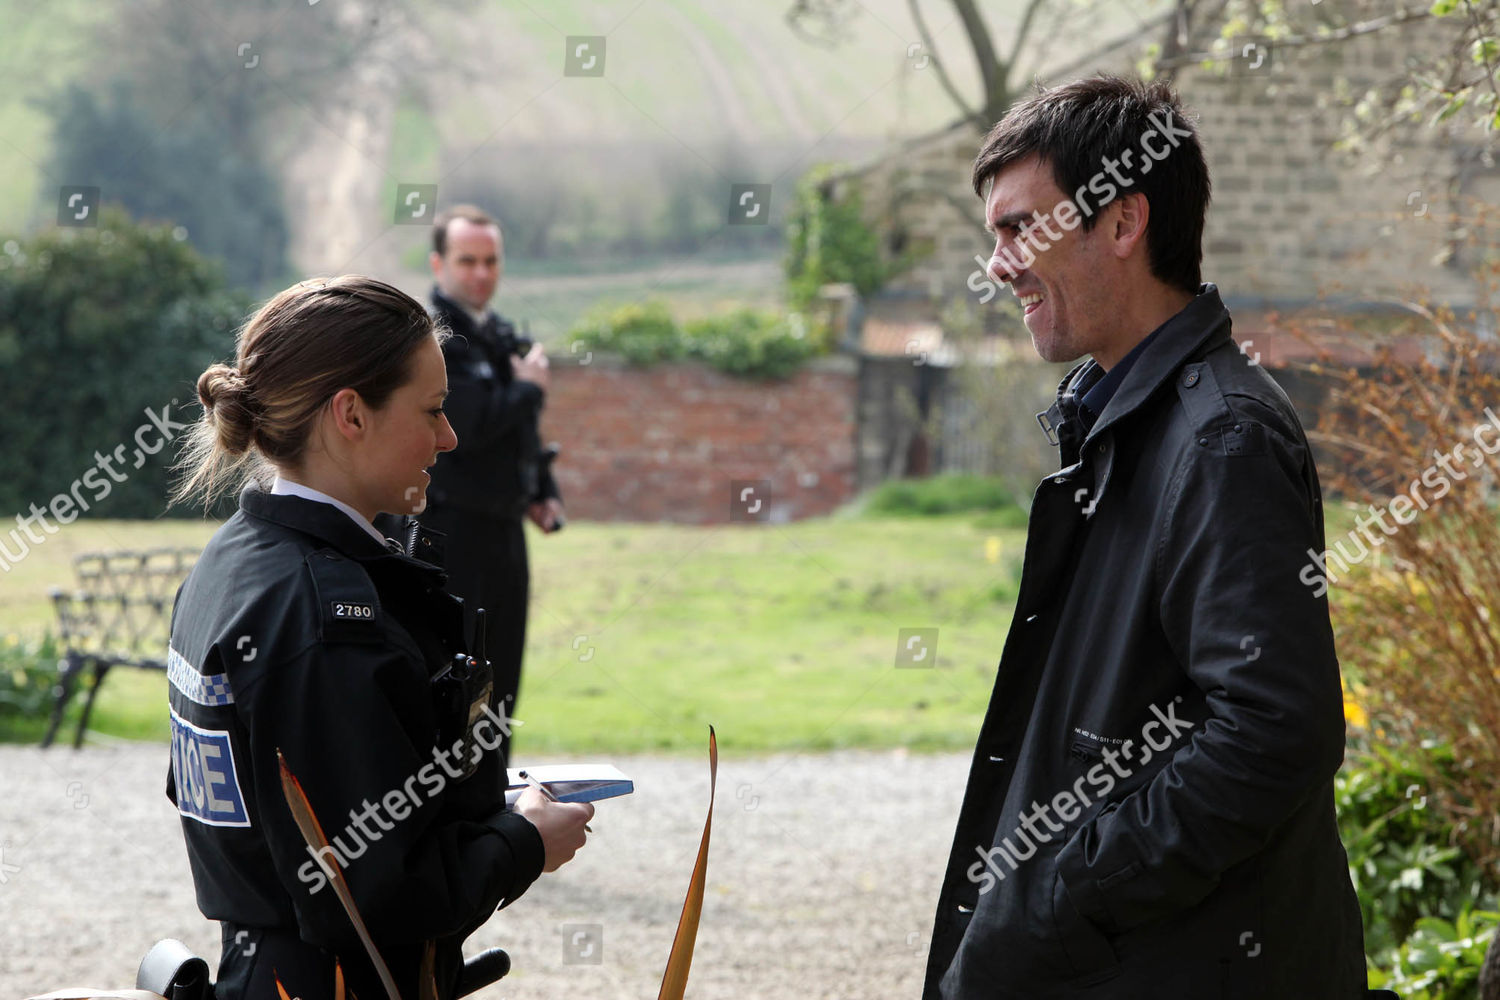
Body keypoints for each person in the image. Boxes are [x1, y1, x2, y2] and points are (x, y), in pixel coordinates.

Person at [923, 76, 1367, 998]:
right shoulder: (1126, 418)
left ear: (1124, 222)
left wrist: (1058, 899)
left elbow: (1273, 732)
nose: (999, 266)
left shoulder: (1222, 439)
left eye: (1019, 228)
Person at [165, 275, 593, 1000]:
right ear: (350, 415)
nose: (449, 437)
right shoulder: (325, 621)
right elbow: (375, 894)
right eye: (430, 410)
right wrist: (525, 842)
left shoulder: (230, 559)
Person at [406, 205, 561, 763]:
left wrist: (542, 489)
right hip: (451, 532)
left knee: (504, 671)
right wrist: (529, 390)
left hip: (502, 529)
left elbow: (519, 429)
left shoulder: (495, 333)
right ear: (438, 263)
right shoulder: (434, 338)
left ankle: (495, 793)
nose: (480, 273)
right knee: (462, 672)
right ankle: (457, 802)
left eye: (490, 261)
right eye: (467, 260)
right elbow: (465, 428)